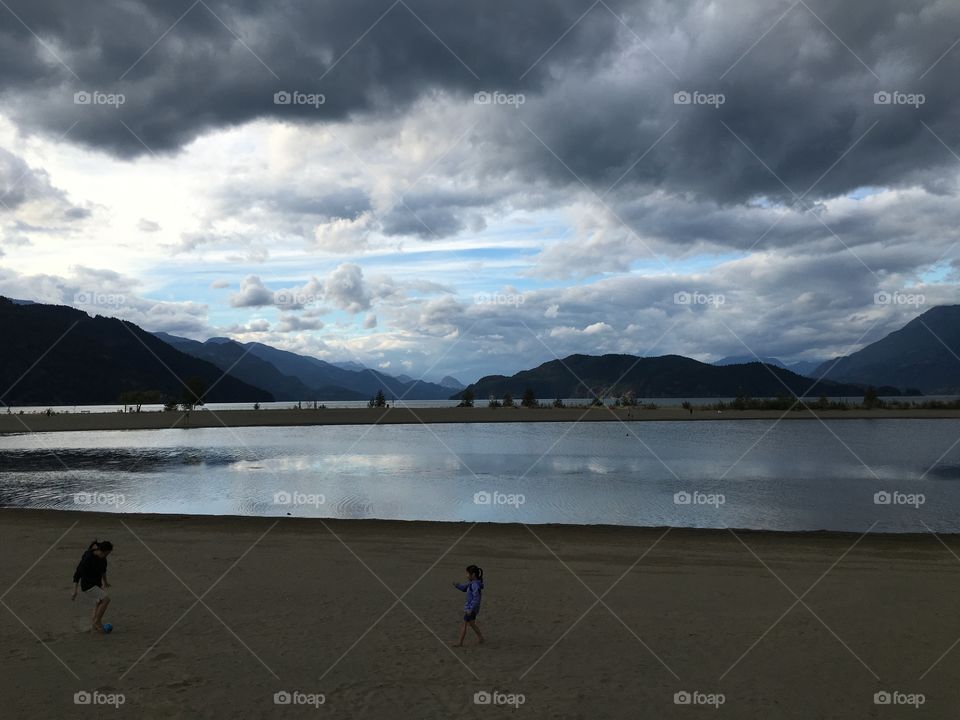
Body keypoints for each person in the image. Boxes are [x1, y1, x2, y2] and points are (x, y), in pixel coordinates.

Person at [72, 540, 113, 633]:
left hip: (96, 584)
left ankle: (94, 626)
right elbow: (77, 574)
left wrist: (105, 582)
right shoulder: (88, 558)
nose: (108, 555)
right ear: (104, 551)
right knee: (106, 600)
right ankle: (97, 622)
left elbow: (103, 571)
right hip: (88, 585)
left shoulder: (103, 558)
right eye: (108, 553)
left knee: (98, 603)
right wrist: (75, 591)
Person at [452, 564, 485, 647]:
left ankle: (460, 642)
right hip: (471, 608)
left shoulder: (475, 585)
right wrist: (457, 585)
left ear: (473, 574)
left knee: (465, 624)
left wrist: (471, 609)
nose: (466, 575)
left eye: (467, 573)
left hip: (471, 609)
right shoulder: (472, 583)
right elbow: (464, 588)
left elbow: (476, 598)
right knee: (472, 624)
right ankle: (481, 638)